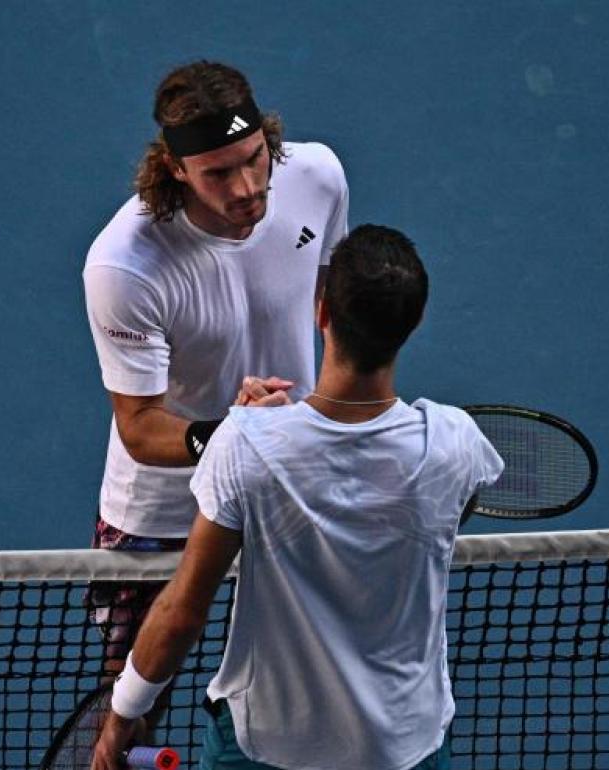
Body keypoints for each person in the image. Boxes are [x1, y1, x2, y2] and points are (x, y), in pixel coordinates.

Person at [91, 225, 505, 770]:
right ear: (414, 323)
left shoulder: (246, 446)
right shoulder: (457, 445)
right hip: (405, 747)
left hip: (266, 748)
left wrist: (123, 714)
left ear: (323, 313)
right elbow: (443, 515)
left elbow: (184, 609)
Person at [81, 60, 349, 678]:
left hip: (288, 482)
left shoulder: (319, 177)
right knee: (131, 693)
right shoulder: (125, 265)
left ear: (269, 139)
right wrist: (232, 433)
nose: (247, 188)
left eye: (255, 158)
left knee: (310, 678)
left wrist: (331, 423)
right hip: (162, 510)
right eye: (218, 173)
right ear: (176, 169)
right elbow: (141, 427)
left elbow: (329, 311)